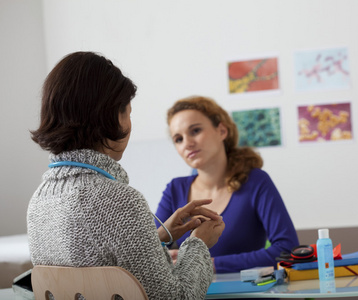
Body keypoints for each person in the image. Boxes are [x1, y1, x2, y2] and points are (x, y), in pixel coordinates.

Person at [27, 51, 225, 299]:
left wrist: (157, 238)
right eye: (128, 113)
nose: (130, 124)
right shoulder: (121, 202)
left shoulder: (37, 204)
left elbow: (97, 268)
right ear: (113, 116)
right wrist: (198, 244)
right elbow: (176, 298)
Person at [156, 95, 299, 273]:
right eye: (178, 139)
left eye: (195, 131)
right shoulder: (174, 189)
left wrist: (210, 263)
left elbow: (286, 250)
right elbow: (153, 253)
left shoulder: (256, 181)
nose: (187, 144)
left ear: (222, 131)